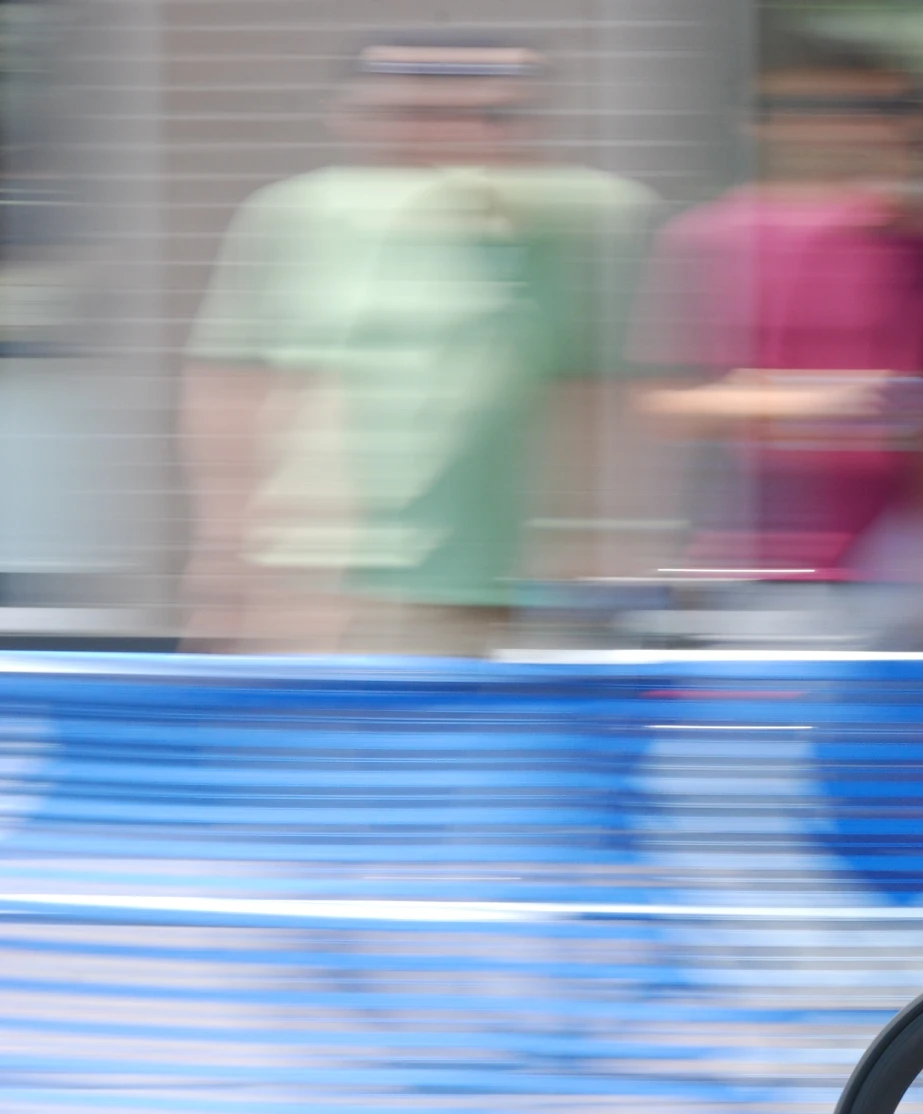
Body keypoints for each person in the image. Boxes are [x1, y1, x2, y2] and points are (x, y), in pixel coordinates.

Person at [180, 37, 654, 654]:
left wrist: (605, 555)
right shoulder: (295, 215)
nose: (454, 136)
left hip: (521, 592)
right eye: (414, 113)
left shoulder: (593, 218)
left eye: (493, 115)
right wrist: (224, 558)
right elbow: (230, 388)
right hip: (324, 586)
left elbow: (614, 397)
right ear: (349, 116)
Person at [631, 35, 923, 579]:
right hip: (746, 563)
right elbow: (655, 407)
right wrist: (813, 402)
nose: (864, 128)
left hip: (896, 568)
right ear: (763, 124)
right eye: (831, 110)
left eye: (885, 110)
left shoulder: (918, 243)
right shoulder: (707, 238)